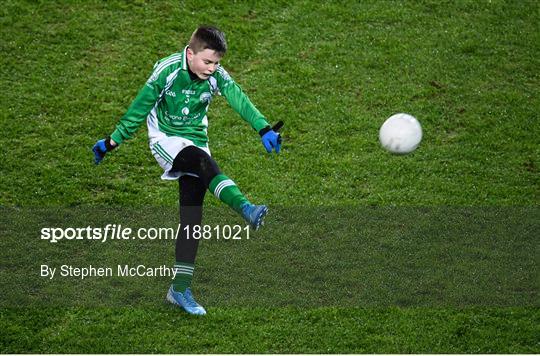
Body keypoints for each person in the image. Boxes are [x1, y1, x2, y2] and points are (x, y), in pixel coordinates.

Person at [92, 25, 281, 315]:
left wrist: (263, 128)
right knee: (202, 164)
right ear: (190, 53)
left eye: (216, 63)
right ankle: (246, 209)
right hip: (166, 139)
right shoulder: (166, 72)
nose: (212, 68)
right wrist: (111, 141)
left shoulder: (216, 75)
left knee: (191, 218)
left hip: (196, 140)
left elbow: (238, 97)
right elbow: (139, 108)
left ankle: (179, 289)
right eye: (207, 61)